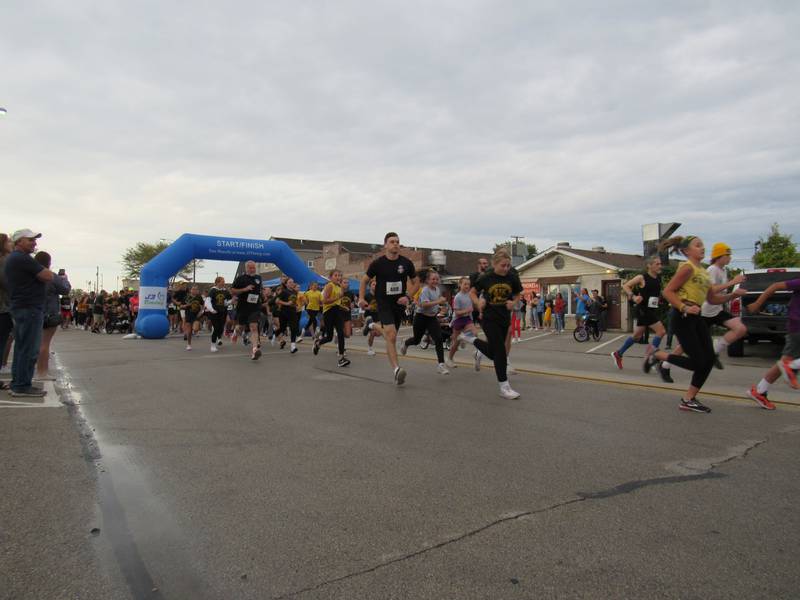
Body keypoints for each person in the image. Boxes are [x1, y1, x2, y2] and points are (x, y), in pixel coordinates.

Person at [645, 235, 747, 413]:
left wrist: (732, 296)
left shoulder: (704, 272)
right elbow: (668, 292)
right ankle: (657, 355)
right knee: (699, 362)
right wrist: (683, 307)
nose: (702, 248)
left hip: (697, 317)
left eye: (702, 245)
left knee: (708, 361)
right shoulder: (687, 268)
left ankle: (688, 399)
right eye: (697, 245)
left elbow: (712, 299)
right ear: (686, 251)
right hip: (682, 317)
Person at [459, 248, 522, 399]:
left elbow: (518, 293)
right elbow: (473, 292)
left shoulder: (512, 276)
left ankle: (469, 339)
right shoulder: (486, 277)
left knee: (495, 354)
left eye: (508, 265)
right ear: (494, 264)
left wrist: (513, 303)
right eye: (503, 265)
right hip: (488, 318)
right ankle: (504, 387)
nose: (506, 268)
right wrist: (477, 302)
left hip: (504, 319)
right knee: (500, 352)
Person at [358, 232, 419, 385]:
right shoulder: (378, 263)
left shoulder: (406, 263)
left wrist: (408, 296)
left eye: (397, 242)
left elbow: (416, 283)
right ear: (385, 245)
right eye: (392, 242)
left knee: (390, 336)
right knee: (391, 335)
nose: (395, 244)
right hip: (383, 302)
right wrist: (361, 298)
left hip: (399, 304)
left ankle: (372, 325)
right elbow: (364, 280)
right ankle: (397, 370)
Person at [4, 229, 54, 397]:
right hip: (29, 308)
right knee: (29, 348)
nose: (34, 243)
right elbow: (47, 275)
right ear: (19, 241)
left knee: (21, 347)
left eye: (34, 240)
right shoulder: (22, 259)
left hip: (21, 307)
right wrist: (42, 273)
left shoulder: (15, 259)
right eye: (30, 239)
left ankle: (18, 383)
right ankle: (22, 385)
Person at [744, 277, 800, 410]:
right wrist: (758, 303)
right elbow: (775, 286)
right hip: (798, 325)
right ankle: (791, 366)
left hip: (795, 326)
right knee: (786, 364)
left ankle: (759, 391)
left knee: (784, 361)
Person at [611, 256, 668, 375]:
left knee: (636, 336)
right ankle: (652, 357)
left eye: (660, 264)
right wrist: (634, 296)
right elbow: (625, 286)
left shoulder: (658, 278)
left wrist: (662, 298)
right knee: (661, 331)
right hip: (643, 310)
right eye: (657, 264)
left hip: (651, 309)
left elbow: (655, 293)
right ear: (649, 266)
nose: (660, 266)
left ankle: (618, 353)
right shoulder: (642, 277)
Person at [400, 269, 449, 374]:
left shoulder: (437, 290)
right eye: (433, 279)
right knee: (417, 340)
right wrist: (438, 301)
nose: (435, 281)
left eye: (437, 279)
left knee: (439, 339)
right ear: (427, 280)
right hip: (421, 317)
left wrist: (441, 303)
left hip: (432, 318)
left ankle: (441, 364)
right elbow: (424, 305)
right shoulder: (425, 290)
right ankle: (406, 343)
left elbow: (437, 301)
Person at [34, 253, 70, 379]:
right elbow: (65, 289)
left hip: (33, 311)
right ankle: (42, 371)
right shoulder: (49, 275)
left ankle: (35, 370)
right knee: (45, 344)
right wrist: (64, 278)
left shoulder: (30, 273)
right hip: (49, 313)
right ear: (48, 263)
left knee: (33, 343)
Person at [314, 269, 349, 367]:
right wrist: (338, 297)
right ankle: (318, 343)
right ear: (330, 277)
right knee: (329, 337)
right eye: (336, 275)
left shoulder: (339, 287)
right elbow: (324, 301)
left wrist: (343, 307)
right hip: (328, 312)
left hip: (337, 311)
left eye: (339, 275)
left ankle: (341, 358)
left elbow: (336, 303)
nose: (338, 277)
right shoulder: (329, 286)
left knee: (341, 333)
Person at [230, 260, 264, 360]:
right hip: (243, 307)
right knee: (240, 327)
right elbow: (232, 290)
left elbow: (259, 289)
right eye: (250, 268)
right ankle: (235, 333)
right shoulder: (240, 278)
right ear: (246, 268)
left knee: (254, 327)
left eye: (254, 267)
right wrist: (244, 289)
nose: (253, 269)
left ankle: (254, 350)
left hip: (255, 307)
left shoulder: (259, 278)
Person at [446, 276, 479, 368]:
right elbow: (457, 312)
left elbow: (473, 307)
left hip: (467, 319)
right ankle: (449, 359)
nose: (467, 286)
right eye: (465, 284)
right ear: (460, 285)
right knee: (455, 344)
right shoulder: (457, 297)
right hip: (458, 320)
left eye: (468, 284)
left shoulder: (470, 295)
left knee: (475, 333)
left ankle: (476, 353)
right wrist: (467, 310)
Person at [205, 277, 231, 353]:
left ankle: (218, 337)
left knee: (221, 328)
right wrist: (212, 310)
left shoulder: (225, 291)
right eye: (222, 281)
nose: (224, 283)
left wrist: (232, 300)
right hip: (214, 312)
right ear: (217, 282)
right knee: (216, 328)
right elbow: (207, 301)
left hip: (223, 312)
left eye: (224, 281)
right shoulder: (213, 290)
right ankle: (213, 345)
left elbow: (226, 302)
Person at [0, 233, 13, 377]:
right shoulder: (4, 261)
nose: (11, 244)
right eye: (8, 242)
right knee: (2, 341)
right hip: (3, 307)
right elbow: (8, 283)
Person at [180, 285, 203, 351]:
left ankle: (195, 330)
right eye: (193, 289)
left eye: (196, 289)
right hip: (189, 315)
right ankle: (189, 345)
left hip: (196, 315)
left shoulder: (199, 297)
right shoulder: (186, 297)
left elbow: (202, 305)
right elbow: (181, 306)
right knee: (189, 332)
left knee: (195, 329)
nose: (194, 291)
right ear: (190, 290)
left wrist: (201, 312)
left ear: (197, 291)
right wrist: (186, 305)